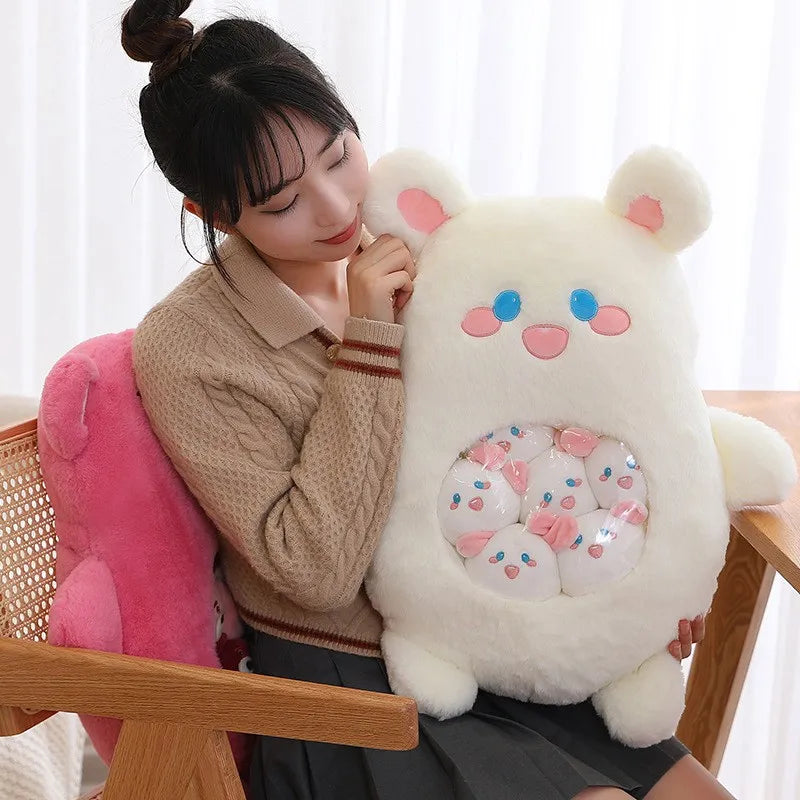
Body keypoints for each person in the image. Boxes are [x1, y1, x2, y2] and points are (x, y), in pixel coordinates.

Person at [122, 3, 734, 798]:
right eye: (281, 203)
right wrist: (371, 343)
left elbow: (557, 423)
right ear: (209, 213)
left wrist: (634, 587)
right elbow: (314, 570)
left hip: (506, 645)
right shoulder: (190, 347)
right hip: (353, 698)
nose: (338, 209)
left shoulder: (440, 255)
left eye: (339, 157)